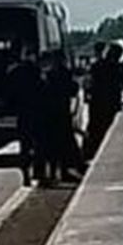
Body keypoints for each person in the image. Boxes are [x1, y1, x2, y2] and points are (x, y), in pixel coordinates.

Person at [5, 46, 48, 187]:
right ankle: (39, 174)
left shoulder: (13, 72)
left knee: (24, 147)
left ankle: (26, 177)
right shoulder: (36, 71)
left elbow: (9, 94)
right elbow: (42, 90)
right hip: (37, 113)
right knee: (39, 146)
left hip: (22, 114)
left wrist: (12, 108)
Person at [43, 52, 84, 183]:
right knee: (65, 143)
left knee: (53, 145)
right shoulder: (65, 74)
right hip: (62, 112)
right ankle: (65, 171)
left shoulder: (48, 75)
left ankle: (54, 173)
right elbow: (73, 89)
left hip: (51, 113)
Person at [85, 41, 123, 159]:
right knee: (108, 129)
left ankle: (90, 153)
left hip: (97, 103)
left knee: (95, 129)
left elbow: (89, 83)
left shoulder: (97, 65)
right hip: (111, 104)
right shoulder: (119, 68)